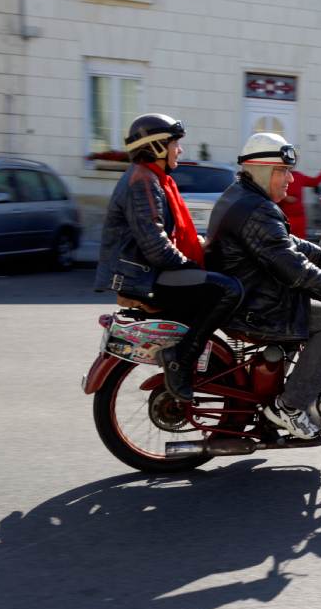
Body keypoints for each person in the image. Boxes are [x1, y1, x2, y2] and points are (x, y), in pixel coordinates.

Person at [204, 133, 321, 439]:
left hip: (248, 294)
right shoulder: (256, 209)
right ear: (263, 171)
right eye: (283, 172)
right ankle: (290, 407)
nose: (290, 179)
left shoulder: (246, 197)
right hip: (254, 306)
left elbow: (289, 243)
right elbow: (293, 269)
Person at [94, 114, 243, 402]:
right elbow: (156, 246)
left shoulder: (153, 178)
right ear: (157, 146)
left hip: (149, 272)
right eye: (175, 143)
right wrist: (192, 266)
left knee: (214, 293)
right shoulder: (143, 181)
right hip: (145, 277)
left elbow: (166, 237)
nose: (180, 150)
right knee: (229, 289)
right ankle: (180, 360)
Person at [277, 159, 321, 239]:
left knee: (301, 245)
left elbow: (315, 182)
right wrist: (285, 197)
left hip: (300, 218)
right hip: (286, 219)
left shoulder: (299, 176)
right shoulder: (278, 178)